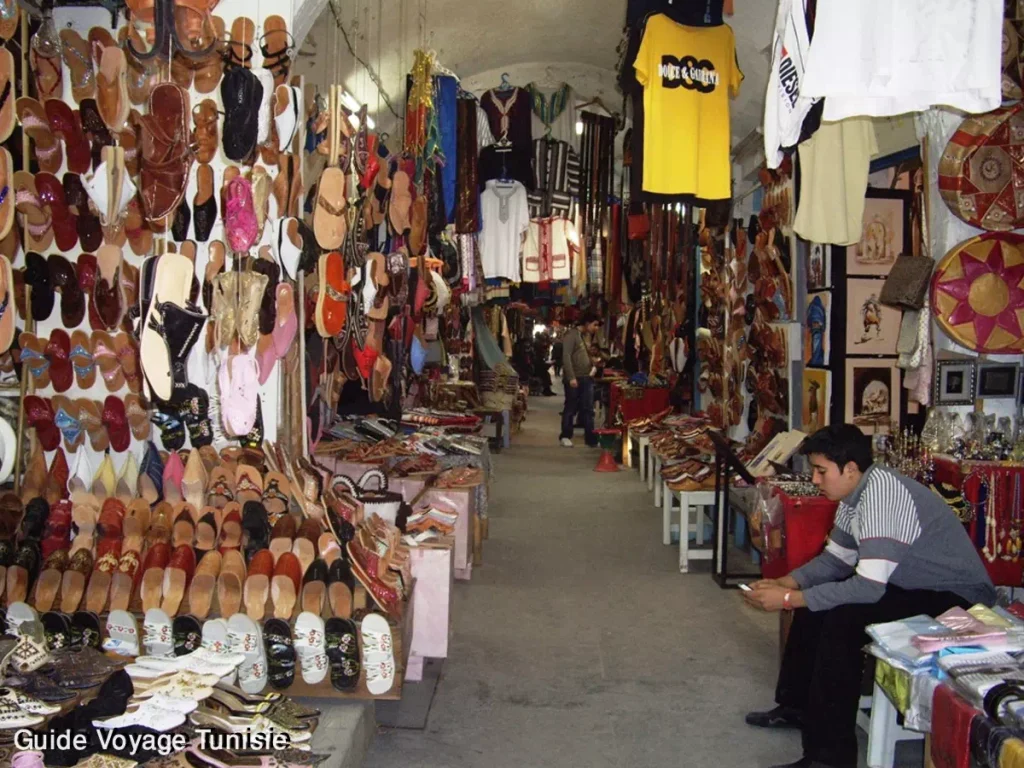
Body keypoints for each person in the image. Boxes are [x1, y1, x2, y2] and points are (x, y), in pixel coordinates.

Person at [743, 424, 995, 768]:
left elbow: (868, 588)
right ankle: (797, 707)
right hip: (910, 582)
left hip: (957, 595)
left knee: (842, 619)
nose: (816, 480)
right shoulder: (855, 493)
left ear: (850, 469)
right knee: (818, 599)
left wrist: (787, 600)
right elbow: (836, 560)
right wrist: (789, 582)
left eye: (821, 471)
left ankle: (830, 757)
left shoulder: (881, 496)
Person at [559, 313, 601, 448]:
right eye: (595, 325)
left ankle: (590, 438)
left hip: (586, 377)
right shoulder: (571, 335)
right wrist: (571, 377)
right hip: (575, 378)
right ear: (587, 323)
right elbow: (566, 356)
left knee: (588, 408)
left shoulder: (585, 336)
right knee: (571, 407)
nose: (596, 328)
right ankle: (565, 435)